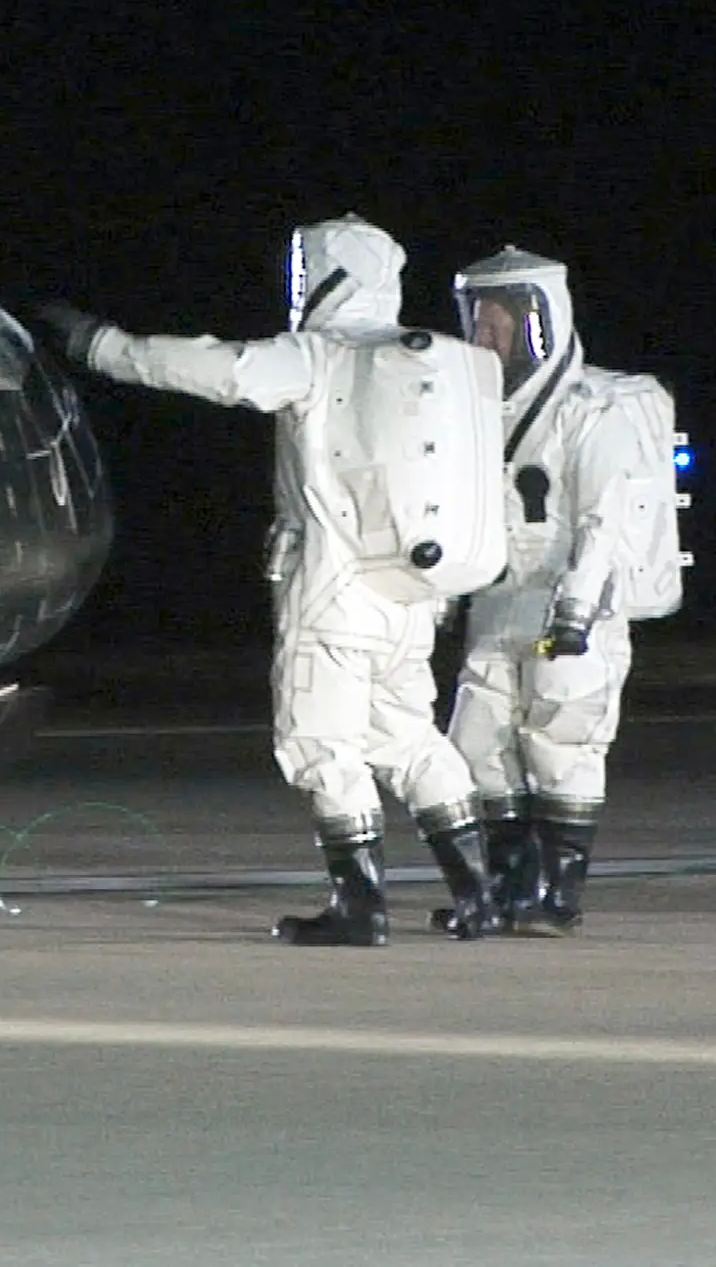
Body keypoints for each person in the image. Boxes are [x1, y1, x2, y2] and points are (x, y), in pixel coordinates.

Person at [37, 214, 503, 945]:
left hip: (332, 593)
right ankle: (480, 898)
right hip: (411, 598)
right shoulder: (414, 365)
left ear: (326, 275)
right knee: (410, 739)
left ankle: (360, 908)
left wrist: (102, 346)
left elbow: (217, 369)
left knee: (318, 743)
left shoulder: (319, 356)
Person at [443, 247, 644, 936]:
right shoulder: (474, 412)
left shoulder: (592, 412)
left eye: (498, 324)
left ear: (540, 323)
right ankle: (510, 885)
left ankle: (558, 896)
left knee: (562, 743)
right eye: (477, 322)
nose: (484, 338)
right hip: (498, 601)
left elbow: (603, 520)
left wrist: (577, 612)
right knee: (476, 742)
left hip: (570, 603)